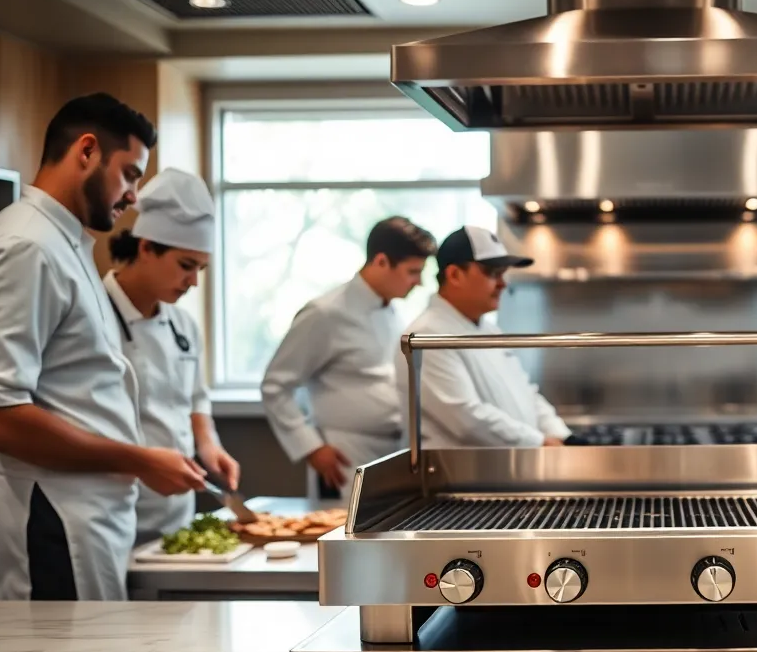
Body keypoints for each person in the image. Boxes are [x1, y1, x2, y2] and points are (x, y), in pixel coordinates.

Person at [0, 93, 208, 601]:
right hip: (49, 521)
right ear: (86, 151)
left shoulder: (66, 244)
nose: (134, 198)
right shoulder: (24, 245)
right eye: (129, 174)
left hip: (86, 518)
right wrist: (140, 459)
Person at [103, 168, 242, 546]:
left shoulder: (182, 324)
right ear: (146, 247)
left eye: (201, 268)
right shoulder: (93, 316)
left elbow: (195, 396)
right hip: (115, 513)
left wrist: (209, 444)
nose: (193, 282)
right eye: (186, 266)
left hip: (178, 513)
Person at [261, 217, 436, 495]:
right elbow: (275, 385)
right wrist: (311, 447)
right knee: (349, 534)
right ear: (381, 262)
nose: (419, 282)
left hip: (391, 451)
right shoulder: (325, 314)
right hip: (345, 455)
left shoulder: (392, 313)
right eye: (413, 271)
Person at [395, 226, 571, 448]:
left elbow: (526, 393)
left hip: (499, 471)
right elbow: (467, 419)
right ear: (455, 275)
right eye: (492, 273)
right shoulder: (426, 337)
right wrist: (540, 443)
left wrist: (563, 435)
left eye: (503, 274)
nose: (502, 284)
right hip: (455, 477)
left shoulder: (489, 331)